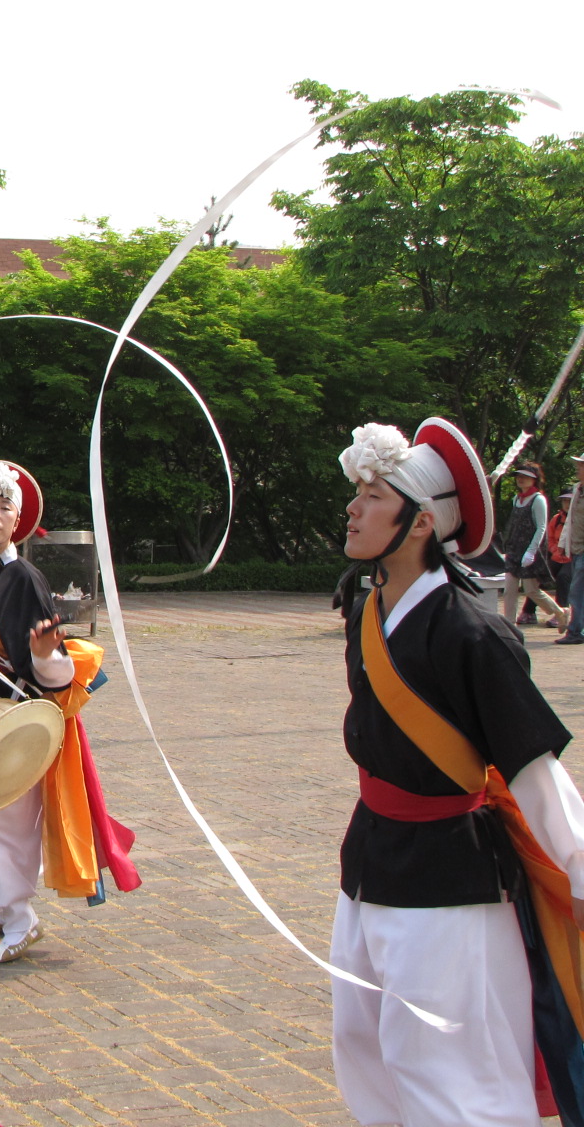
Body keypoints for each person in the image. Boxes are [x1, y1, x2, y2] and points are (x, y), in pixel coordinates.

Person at [331, 419, 584, 1126]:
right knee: (364, 1044)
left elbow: (532, 769)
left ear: (418, 524)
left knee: (449, 1070)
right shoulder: (368, 608)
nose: (352, 508)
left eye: (372, 496)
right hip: (371, 860)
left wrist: (578, 868)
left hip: (450, 877)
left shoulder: (474, 633)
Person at [0, 460, 138, 963]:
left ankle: (20, 920)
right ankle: (7, 911)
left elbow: (53, 667)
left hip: (21, 715)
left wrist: (48, 653)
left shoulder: (22, 577)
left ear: (17, 521)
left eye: (5, 506)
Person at [501, 461, 569, 630]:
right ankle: (510, 626)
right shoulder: (516, 499)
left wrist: (531, 552)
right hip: (514, 550)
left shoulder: (538, 499)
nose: (521, 480)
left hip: (530, 550)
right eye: (519, 476)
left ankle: (560, 612)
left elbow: (541, 527)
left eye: (526, 477)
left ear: (534, 480)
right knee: (509, 589)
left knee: (531, 590)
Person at [559, 455, 584, 645]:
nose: (578, 468)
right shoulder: (578, 489)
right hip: (576, 549)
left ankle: (575, 631)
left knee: (576, 592)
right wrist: (562, 544)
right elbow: (570, 520)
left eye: (581, 466)